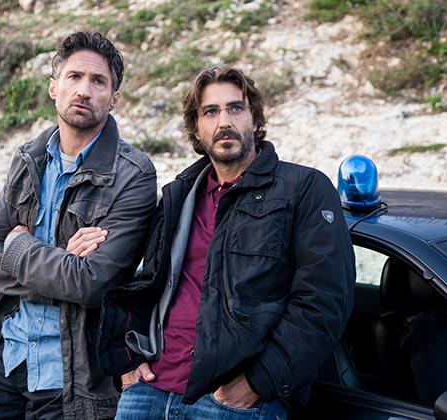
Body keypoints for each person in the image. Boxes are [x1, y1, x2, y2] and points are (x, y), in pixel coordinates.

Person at [96, 66, 356, 419]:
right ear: (196, 127)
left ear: (255, 118)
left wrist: (256, 382)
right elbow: (146, 285)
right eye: (210, 112)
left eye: (236, 108)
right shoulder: (179, 195)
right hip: (149, 390)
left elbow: (324, 301)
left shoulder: (303, 189)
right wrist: (128, 361)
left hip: (230, 401)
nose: (224, 121)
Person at [0, 31, 157, 419]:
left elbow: (92, 283)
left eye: (98, 81)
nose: (84, 90)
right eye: (74, 77)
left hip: (70, 375)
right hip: (5, 356)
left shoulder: (132, 175)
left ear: (114, 98)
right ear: (54, 87)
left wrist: (19, 247)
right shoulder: (28, 158)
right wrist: (63, 260)